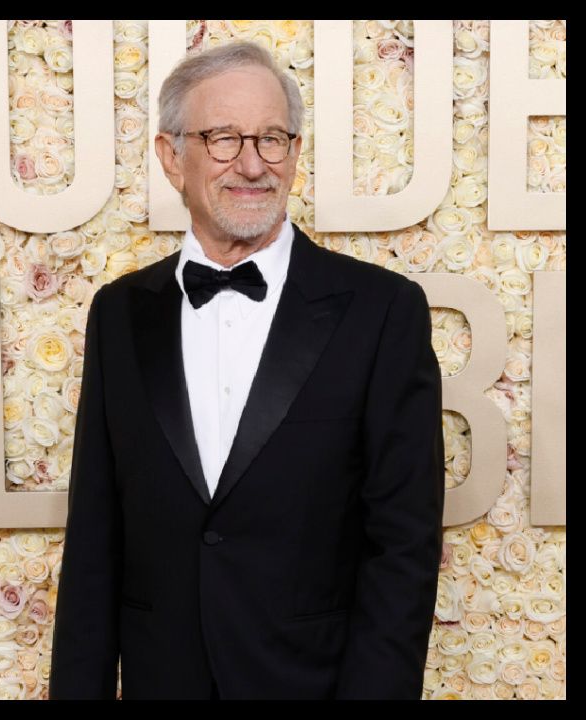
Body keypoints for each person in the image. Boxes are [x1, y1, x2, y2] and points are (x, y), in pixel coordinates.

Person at [48, 41, 443, 700]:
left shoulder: (382, 311)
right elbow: (95, 539)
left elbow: (403, 546)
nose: (253, 165)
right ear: (173, 157)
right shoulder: (118, 314)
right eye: (225, 139)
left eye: (272, 139)